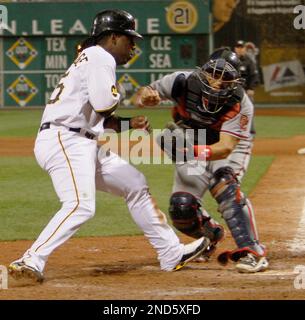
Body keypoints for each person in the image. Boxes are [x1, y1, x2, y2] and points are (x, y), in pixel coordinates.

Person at [8, 9, 210, 283]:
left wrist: (129, 124)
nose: (133, 46)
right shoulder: (100, 56)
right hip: (66, 139)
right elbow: (105, 104)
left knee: (135, 183)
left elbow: (100, 119)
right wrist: (124, 93)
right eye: (129, 39)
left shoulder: (90, 58)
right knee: (80, 205)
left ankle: (171, 253)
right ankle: (30, 260)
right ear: (113, 37)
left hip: (81, 139)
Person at [134, 50, 269, 273]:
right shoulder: (180, 81)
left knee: (223, 183)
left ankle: (253, 251)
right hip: (194, 140)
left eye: (226, 78)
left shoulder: (240, 102)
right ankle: (210, 237)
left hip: (226, 146)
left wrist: (190, 151)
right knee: (182, 208)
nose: (218, 83)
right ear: (204, 71)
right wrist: (144, 96)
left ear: (235, 82)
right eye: (214, 74)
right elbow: (142, 93)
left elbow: (225, 147)